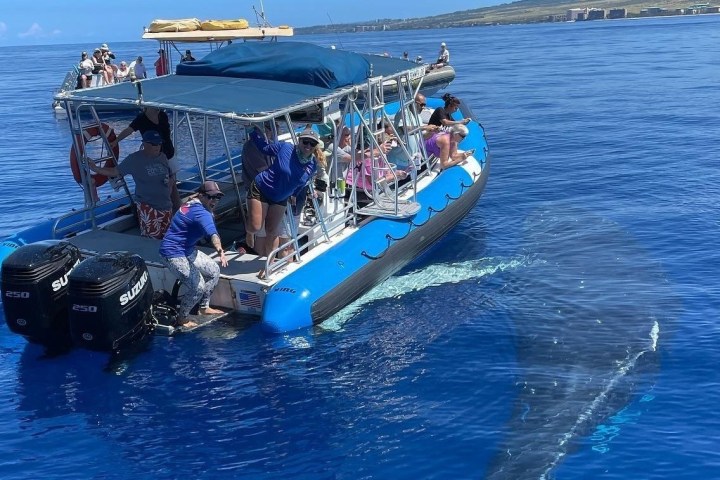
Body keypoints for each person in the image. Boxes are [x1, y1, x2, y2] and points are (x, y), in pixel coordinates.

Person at [246, 128, 318, 277]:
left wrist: (294, 195)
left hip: (281, 197)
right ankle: (249, 233)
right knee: (255, 226)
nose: (308, 146)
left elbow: (301, 184)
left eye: (312, 143)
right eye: (305, 141)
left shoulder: (312, 165)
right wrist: (252, 132)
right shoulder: (285, 148)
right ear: (299, 140)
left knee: (272, 231)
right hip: (262, 188)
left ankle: (269, 265)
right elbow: (264, 148)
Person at [159, 181, 228, 328]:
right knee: (198, 287)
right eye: (210, 197)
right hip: (172, 253)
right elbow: (212, 233)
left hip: (187, 250)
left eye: (217, 197)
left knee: (213, 271)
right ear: (202, 196)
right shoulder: (202, 213)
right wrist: (220, 250)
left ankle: (203, 307)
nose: (214, 201)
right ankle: (182, 318)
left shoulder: (191, 203)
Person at [87, 130, 179, 239]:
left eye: (159, 143)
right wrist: (95, 168)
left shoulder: (162, 157)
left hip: (166, 206)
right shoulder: (134, 159)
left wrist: (171, 182)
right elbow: (115, 172)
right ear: (145, 144)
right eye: (154, 144)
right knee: (152, 241)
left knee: (169, 239)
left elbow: (171, 176)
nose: (157, 146)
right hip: (148, 207)